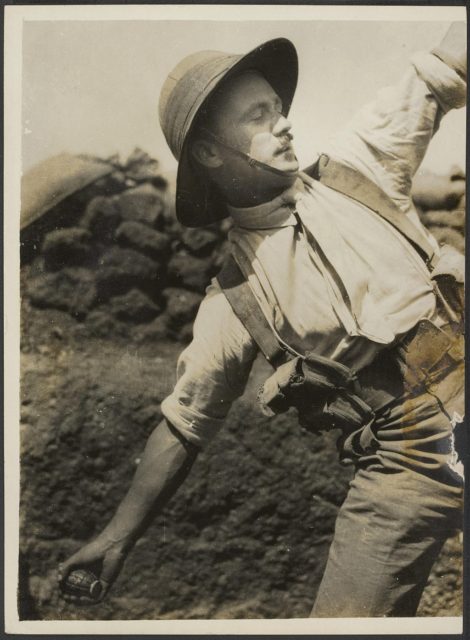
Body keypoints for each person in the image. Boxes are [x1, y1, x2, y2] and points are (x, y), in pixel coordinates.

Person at [58, 23, 466, 617]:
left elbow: (438, 69)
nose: (284, 121)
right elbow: (184, 423)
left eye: (278, 108)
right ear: (207, 152)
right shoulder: (234, 298)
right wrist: (118, 537)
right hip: (406, 463)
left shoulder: (361, 163)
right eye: (258, 114)